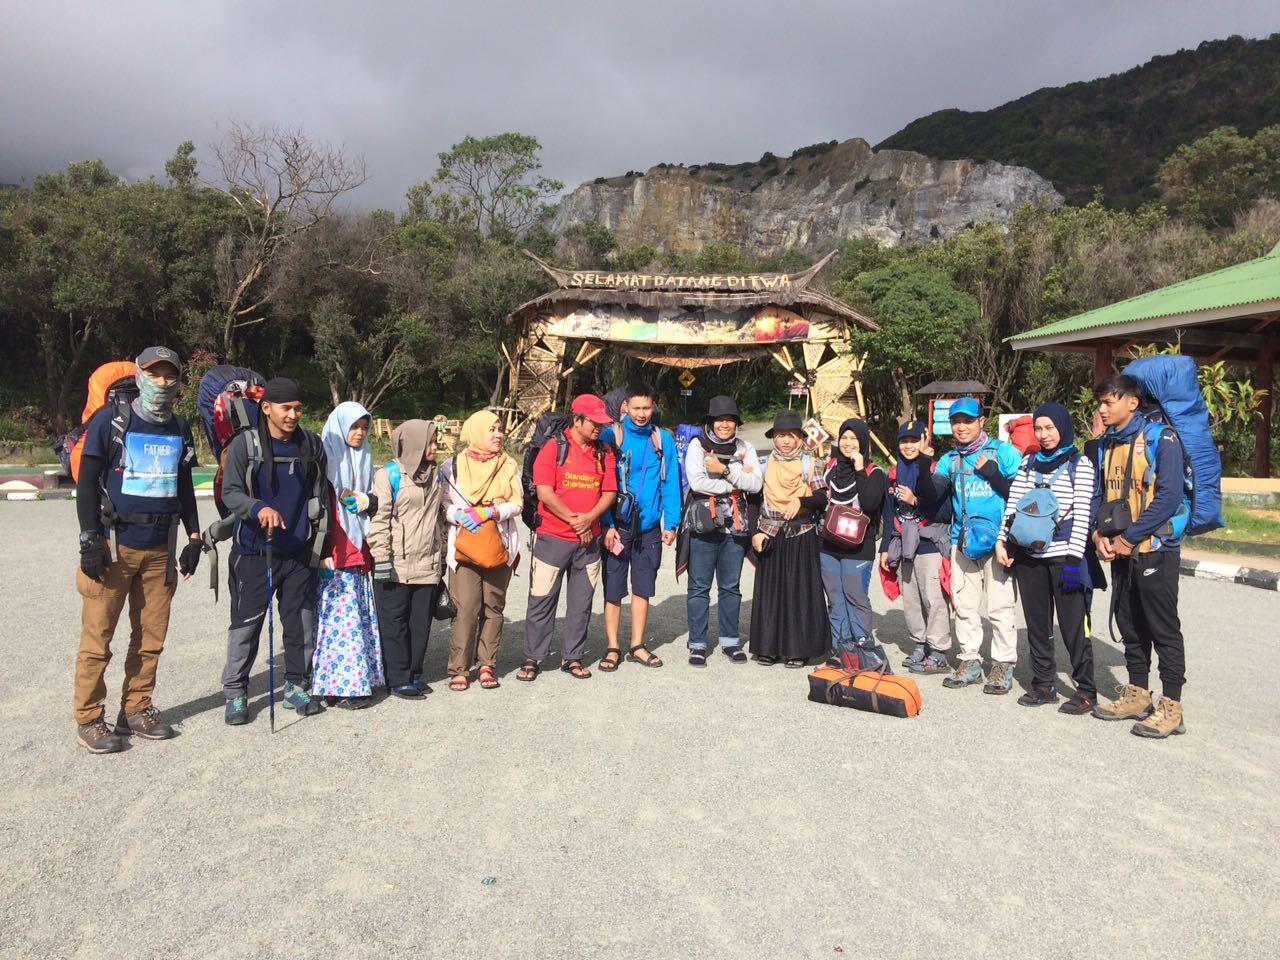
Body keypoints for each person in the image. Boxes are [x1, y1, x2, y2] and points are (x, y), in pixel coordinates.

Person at [72, 346, 201, 753]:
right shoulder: (109, 422)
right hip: (114, 547)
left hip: (159, 549)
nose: (162, 382)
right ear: (140, 375)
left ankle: (137, 708)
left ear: (178, 382)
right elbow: (87, 484)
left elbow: (184, 488)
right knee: (98, 639)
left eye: (169, 375)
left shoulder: (179, 427)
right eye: (154, 373)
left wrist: (194, 538)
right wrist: (89, 539)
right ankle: (90, 718)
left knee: (150, 638)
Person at [219, 377, 327, 725]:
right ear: (266, 408)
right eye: (286, 408)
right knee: (247, 624)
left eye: (298, 408)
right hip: (255, 550)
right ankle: (235, 691)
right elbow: (230, 493)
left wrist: (320, 542)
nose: (293, 415)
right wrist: (256, 508)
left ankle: (296, 683)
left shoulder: (311, 444)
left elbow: (320, 493)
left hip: (297, 549)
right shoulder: (243, 446)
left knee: (299, 621)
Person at [1090, 374, 1189, 738]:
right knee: (1130, 624)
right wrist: (1098, 533)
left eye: (1108, 401)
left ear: (1132, 402)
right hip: (1121, 550)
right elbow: (1102, 496)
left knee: (1162, 628)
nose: (1102, 408)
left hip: (1155, 550)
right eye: (1100, 402)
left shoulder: (1162, 439)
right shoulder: (1107, 444)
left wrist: (1129, 539)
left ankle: (1172, 706)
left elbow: (1169, 498)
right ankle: (1138, 694)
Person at [995, 402, 1098, 714]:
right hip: (1030, 558)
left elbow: (1083, 515)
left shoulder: (1080, 464)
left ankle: (1086, 690)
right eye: (1039, 428)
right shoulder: (1029, 463)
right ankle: (1043, 684)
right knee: (1038, 624)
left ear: (1063, 427)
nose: (1044, 434)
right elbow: (1014, 505)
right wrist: (1003, 540)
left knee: (1073, 626)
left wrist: (1073, 558)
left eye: (1050, 428)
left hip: (1065, 558)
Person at [518, 394, 617, 682]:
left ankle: (572, 657)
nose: (599, 427)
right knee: (541, 598)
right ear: (577, 420)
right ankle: (533, 657)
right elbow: (545, 492)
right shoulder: (553, 447)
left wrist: (589, 518)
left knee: (581, 601)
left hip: (589, 540)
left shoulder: (604, 452)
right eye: (594, 422)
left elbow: (609, 492)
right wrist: (577, 520)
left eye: (602, 423)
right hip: (552, 536)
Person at [931, 397, 1022, 694]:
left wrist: (992, 473)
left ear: (982, 421)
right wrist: (921, 464)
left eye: (968, 420)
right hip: (963, 540)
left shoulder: (1005, 453)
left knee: (999, 605)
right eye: (956, 421)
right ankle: (969, 660)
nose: (961, 426)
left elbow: (1022, 496)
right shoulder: (949, 460)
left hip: (999, 542)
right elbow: (933, 494)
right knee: (964, 605)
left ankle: (1003, 664)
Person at [599, 382, 681, 671]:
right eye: (637, 408)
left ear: (653, 407)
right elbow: (601, 483)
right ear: (626, 407)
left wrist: (671, 521)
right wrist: (606, 524)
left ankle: (637, 645)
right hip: (617, 526)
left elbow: (671, 481)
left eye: (647, 408)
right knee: (613, 589)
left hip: (648, 528)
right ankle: (612, 647)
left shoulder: (662, 439)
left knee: (643, 588)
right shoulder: (612, 435)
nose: (642, 414)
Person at [441, 410, 523, 691]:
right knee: (465, 608)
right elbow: (442, 503)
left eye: (500, 429)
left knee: (493, 608)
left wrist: (490, 512)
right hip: (464, 546)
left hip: (498, 545)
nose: (499, 435)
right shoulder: (452, 465)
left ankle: (487, 664)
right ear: (475, 432)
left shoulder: (508, 465)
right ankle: (460, 668)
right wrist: (457, 514)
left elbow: (517, 503)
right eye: (492, 429)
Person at [311, 401, 384, 709]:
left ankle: (353, 684)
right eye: (354, 426)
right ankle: (335, 685)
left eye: (364, 428)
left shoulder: (364, 458)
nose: (359, 433)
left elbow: (374, 501)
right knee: (336, 620)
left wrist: (368, 500)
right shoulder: (321, 461)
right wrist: (322, 551)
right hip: (334, 552)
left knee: (355, 617)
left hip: (358, 549)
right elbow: (315, 508)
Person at [682, 395, 763, 666]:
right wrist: (734, 484)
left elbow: (755, 484)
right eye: (719, 420)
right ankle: (697, 643)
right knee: (699, 586)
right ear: (711, 422)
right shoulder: (697, 446)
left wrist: (723, 471)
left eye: (729, 419)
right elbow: (696, 482)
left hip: (735, 529)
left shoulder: (745, 447)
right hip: (704, 525)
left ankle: (730, 641)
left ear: (736, 423)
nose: (725, 424)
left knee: (731, 586)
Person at [369, 419, 447, 699]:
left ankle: (414, 672)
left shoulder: (437, 474)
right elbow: (379, 521)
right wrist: (380, 559)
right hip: (395, 562)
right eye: (430, 441)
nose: (435, 447)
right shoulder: (388, 475)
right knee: (393, 623)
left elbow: (440, 518)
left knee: (419, 623)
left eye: (436, 440)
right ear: (412, 442)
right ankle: (398, 677)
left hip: (427, 561)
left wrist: (443, 551)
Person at [749, 410, 831, 667]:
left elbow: (821, 498)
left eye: (791, 435)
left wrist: (801, 501)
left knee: (799, 593)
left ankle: (798, 650)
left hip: (801, 533)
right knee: (770, 593)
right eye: (780, 435)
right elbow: (752, 501)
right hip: (769, 533)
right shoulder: (763, 463)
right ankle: (767, 648)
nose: (785, 441)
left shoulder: (810, 463)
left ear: (799, 438)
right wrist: (754, 532)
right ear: (773, 437)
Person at [880, 420, 952, 674]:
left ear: (925, 440)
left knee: (933, 598)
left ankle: (939, 649)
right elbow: (889, 515)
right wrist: (885, 548)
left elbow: (943, 510)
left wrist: (916, 500)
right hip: (903, 543)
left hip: (929, 542)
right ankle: (920, 643)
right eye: (904, 441)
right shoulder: (893, 473)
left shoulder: (936, 470)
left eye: (914, 440)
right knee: (910, 598)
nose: (909, 446)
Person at [815, 418, 888, 667]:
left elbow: (869, 504)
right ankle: (840, 648)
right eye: (843, 438)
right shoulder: (831, 467)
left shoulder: (874, 472)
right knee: (835, 597)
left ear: (863, 442)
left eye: (853, 438)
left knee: (855, 595)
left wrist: (858, 468)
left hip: (859, 547)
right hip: (829, 544)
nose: (847, 443)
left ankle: (862, 647)